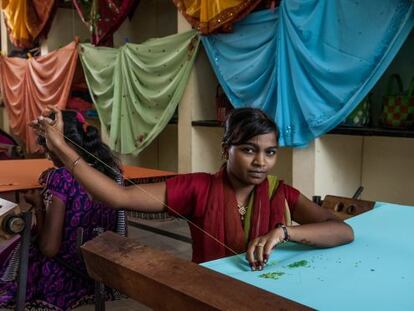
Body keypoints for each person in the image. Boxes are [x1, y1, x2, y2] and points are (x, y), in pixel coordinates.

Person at [32, 106, 354, 271]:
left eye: (269, 152)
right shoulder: (199, 187)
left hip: (265, 293)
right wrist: (61, 147)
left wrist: (284, 232)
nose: (261, 162)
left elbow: (342, 231)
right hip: (206, 294)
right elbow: (117, 196)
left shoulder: (278, 192)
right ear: (225, 148)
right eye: (248, 150)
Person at [0, 111, 122, 311]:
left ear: (61, 144)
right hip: (99, 271)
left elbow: (49, 248)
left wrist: (39, 204)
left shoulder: (61, 179)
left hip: (64, 276)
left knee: (12, 251)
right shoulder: (109, 172)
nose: (47, 155)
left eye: (48, 149)